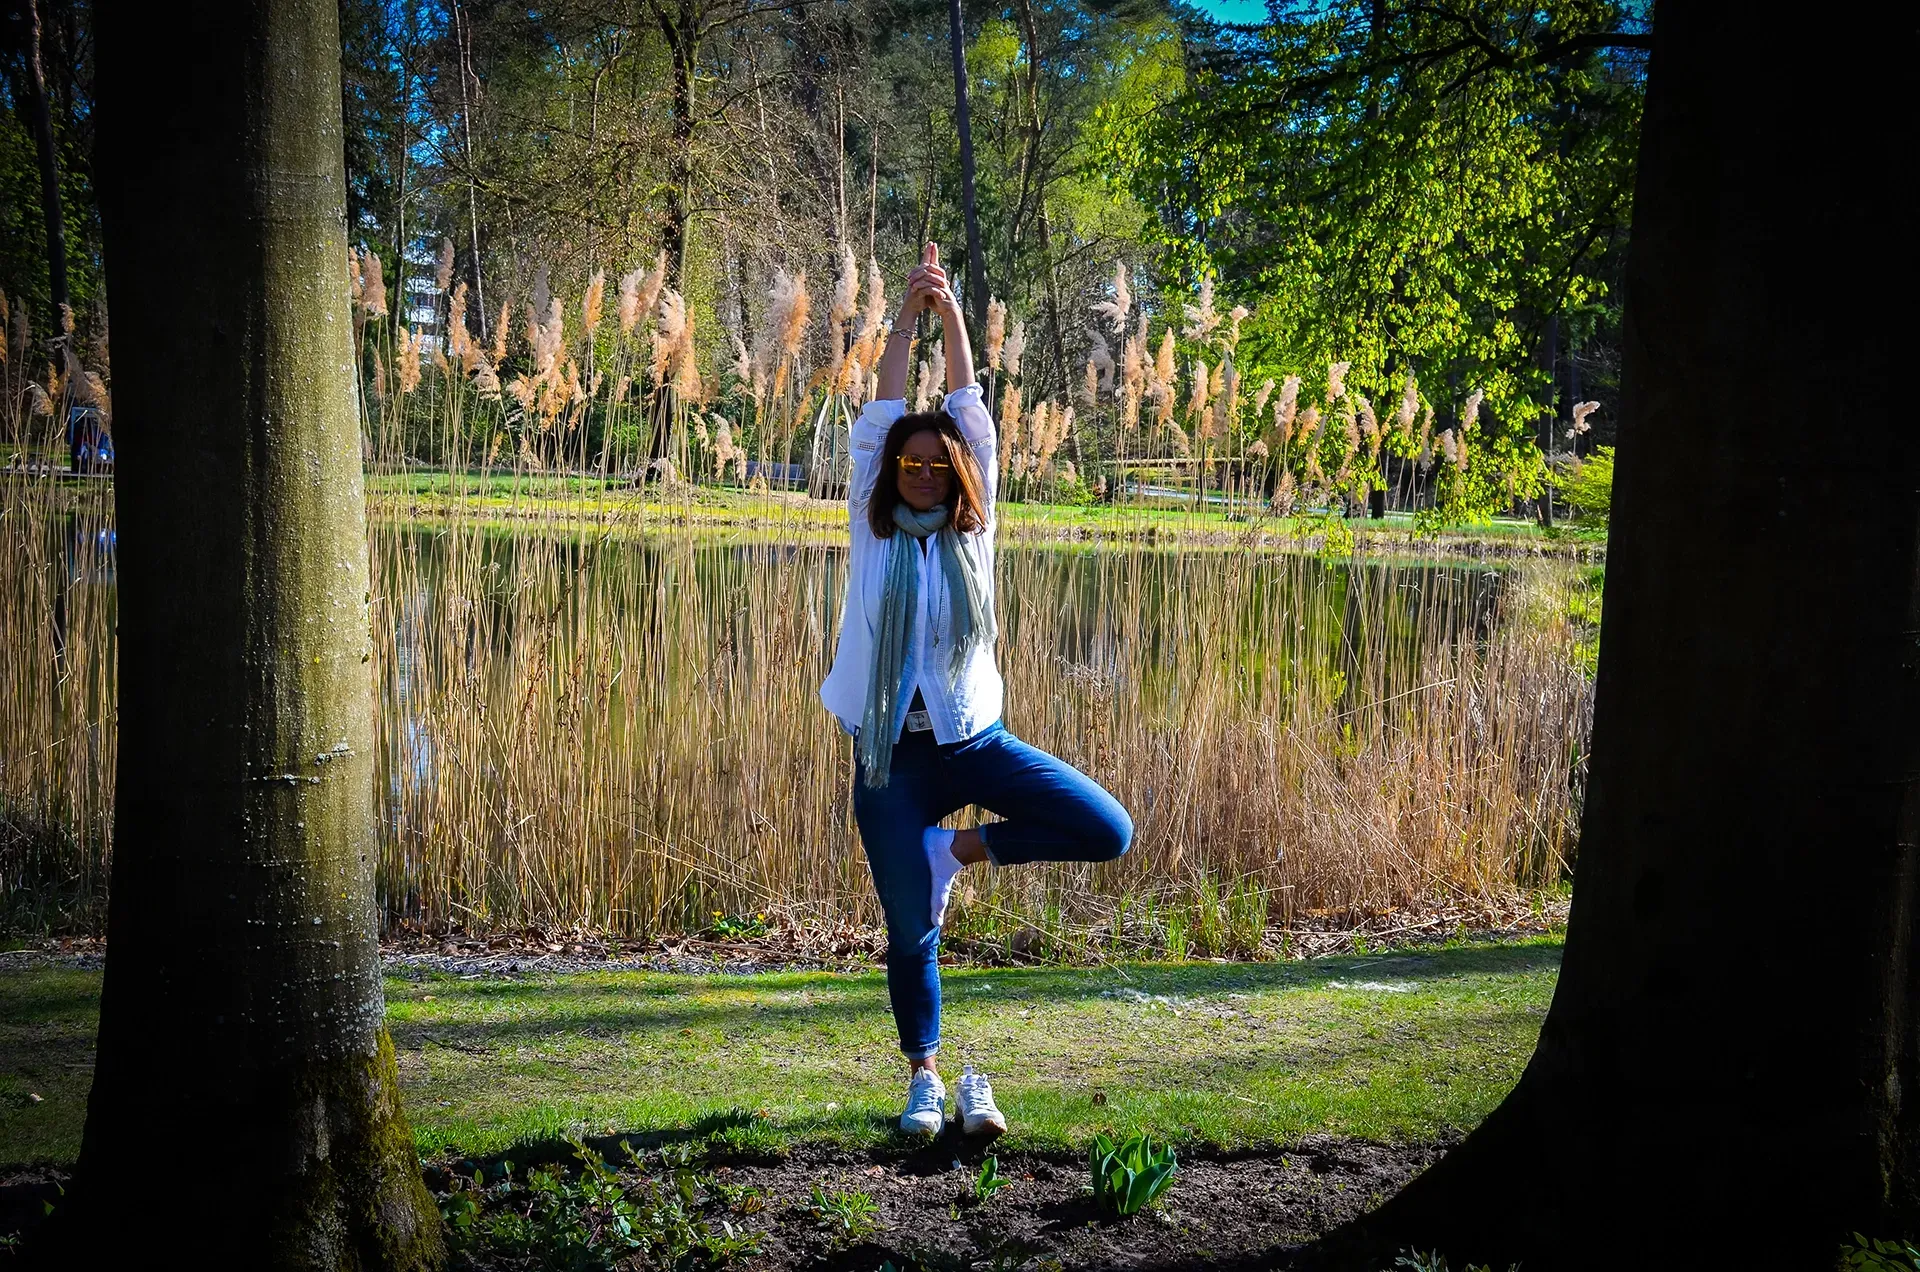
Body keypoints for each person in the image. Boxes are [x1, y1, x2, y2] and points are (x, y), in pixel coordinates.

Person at [818, 245, 1134, 1139]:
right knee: (909, 932)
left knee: (1107, 830)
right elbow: (881, 414)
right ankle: (925, 1075)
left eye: (934, 464)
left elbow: (970, 411)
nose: (920, 470)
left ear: (959, 474)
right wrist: (903, 320)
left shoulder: (976, 527)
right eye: (909, 463)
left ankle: (952, 854)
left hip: (973, 741)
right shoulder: (873, 533)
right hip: (892, 753)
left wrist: (950, 314)